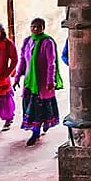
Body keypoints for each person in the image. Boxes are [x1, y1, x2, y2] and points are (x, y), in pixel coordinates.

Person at [14, 17, 62, 145]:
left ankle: (38, 131)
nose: (35, 29)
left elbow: (51, 63)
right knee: (32, 108)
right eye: (33, 26)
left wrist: (50, 81)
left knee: (42, 108)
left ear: (43, 28)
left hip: (43, 83)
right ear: (30, 27)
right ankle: (36, 130)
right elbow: (23, 61)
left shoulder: (47, 42)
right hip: (30, 82)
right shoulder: (27, 41)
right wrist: (17, 77)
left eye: (38, 26)